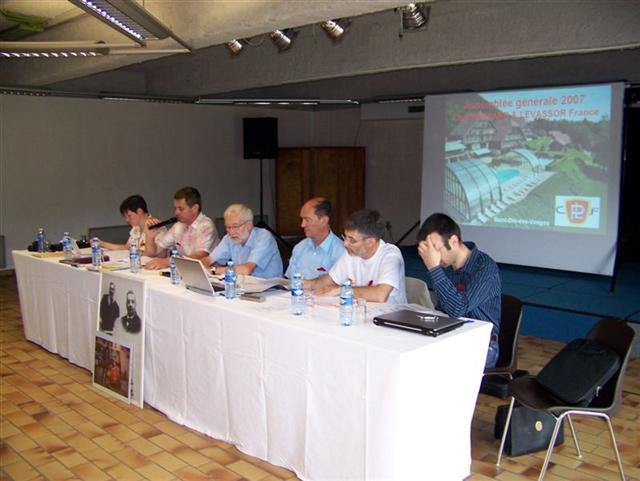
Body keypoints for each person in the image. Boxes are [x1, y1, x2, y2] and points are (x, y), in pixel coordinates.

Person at [417, 212, 501, 368]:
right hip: (449, 334)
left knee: (437, 367)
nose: (432, 256)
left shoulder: (485, 268)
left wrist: (434, 269)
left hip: (483, 342)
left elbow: (458, 308)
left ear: (454, 241)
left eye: (435, 248)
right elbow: (444, 309)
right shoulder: (445, 266)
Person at [305, 209, 406, 303]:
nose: (345, 244)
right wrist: (309, 284)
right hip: (360, 313)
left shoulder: (390, 255)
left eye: (352, 240)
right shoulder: (352, 253)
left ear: (370, 242)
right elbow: (331, 280)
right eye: (345, 237)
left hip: (389, 318)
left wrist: (341, 290)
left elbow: (380, 295)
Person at [144, 186, 220, 269]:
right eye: (175, 208)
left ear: (195, 208)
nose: (176, 212)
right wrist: (150, 237)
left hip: (208, 273)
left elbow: (200, 255)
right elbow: (153, 252)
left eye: (181, 209)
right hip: (185, 270)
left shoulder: (206, 226)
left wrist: (167, 262)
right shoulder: (178, 226)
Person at [204, 203, 283, 278]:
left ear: (249, 225)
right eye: (228, 227)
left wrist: (213, 270)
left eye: (235, 226)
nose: (231, 232)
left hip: (272, 288)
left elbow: (246, 270)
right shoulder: (229, 238)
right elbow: (209, 260)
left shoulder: (263, 236)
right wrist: (203, 267)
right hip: (244, 286)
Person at [285, 198, 345, 280]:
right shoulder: (300, 247)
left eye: (307, 220)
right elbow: (290, 281)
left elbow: (340, 286)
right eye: (302, 219)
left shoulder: (340, 251)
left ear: (323, 221)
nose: (302, 225)